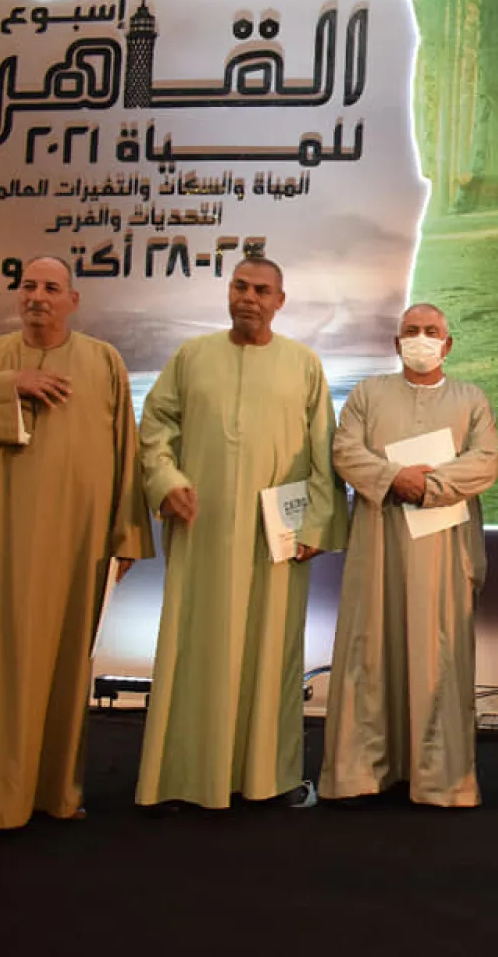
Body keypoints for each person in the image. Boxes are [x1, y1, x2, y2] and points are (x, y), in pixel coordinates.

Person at [0, 256, 154, 833]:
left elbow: (128, 451)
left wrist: (125, 535)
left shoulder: (103, 360)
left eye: (51, 287)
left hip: (77, 544)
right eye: (28, 286)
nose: (38, 296)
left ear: (73, 300)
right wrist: (9, 386)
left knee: (65, 660)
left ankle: (53, 792)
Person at [135, 256, 348, 810]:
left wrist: (316, 524)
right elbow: (155, 427)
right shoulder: (191, 357)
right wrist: (165, 480)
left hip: (275, 538)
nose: (248, 297)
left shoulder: (304, 364)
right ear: (228, 292)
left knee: (270, 650)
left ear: (280, 300)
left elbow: (325, 450)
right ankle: (186, 775)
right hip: (202, 531)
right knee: (195, 646)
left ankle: (266, 778)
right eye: (240, 286)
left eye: (261, 290)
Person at [319, 304, 498, 807]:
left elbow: (484, 463)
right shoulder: (367, 394)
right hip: (378, 544)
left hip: (444, 549)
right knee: (370, 650)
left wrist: (429, 486)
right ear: (397, 342)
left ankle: (441, 777)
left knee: (439, 654)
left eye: (431, 331)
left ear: (449, 343)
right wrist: (393, 479)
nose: (421, 338)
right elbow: (345, 450)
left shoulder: (471, 399)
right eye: (411, 331)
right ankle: (361, 771)